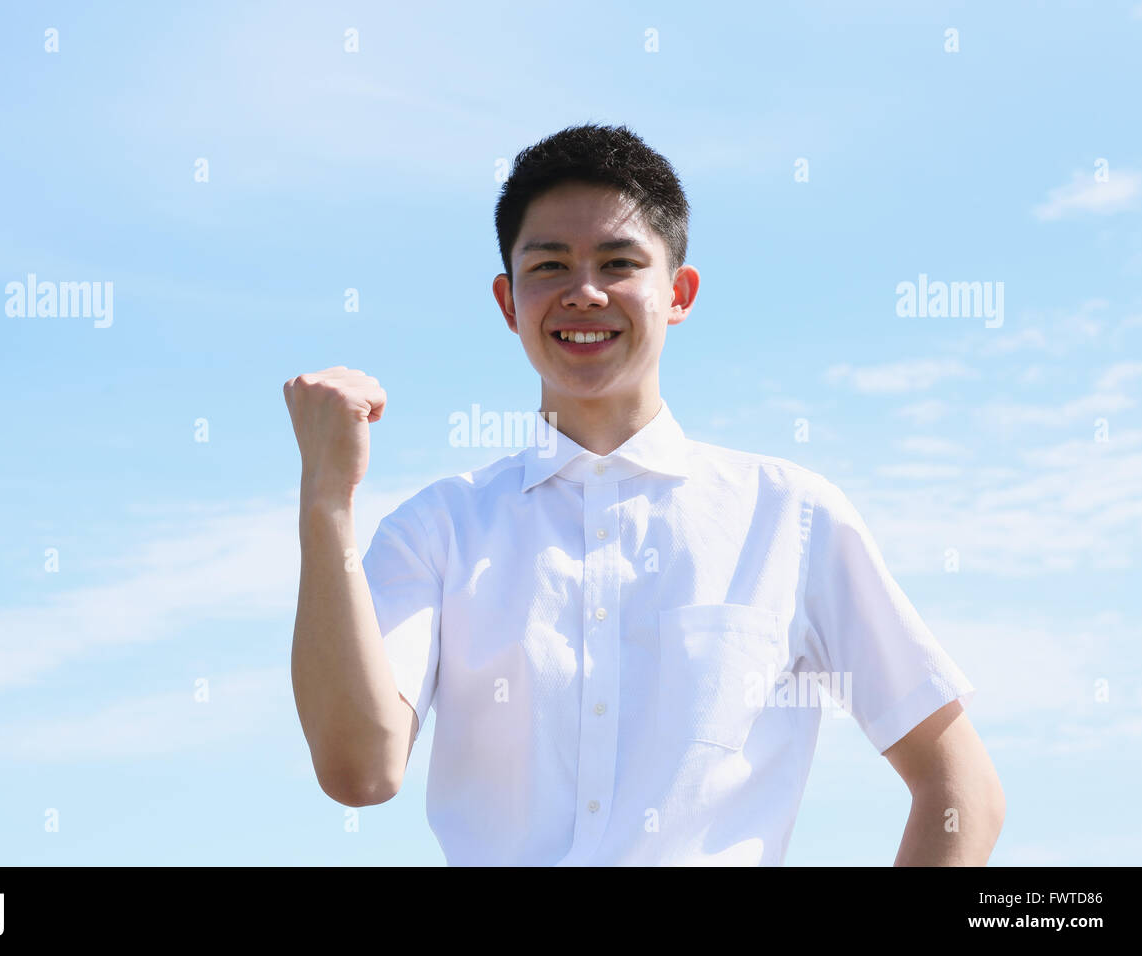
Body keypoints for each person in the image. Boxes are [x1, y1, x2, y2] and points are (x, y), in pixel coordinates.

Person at [283, 123, 1005, 866]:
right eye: (550, 265)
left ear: (679, 293)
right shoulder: (437, 529)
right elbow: (360, 771)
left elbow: (962, 791)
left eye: (620, 263)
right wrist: (327, 505)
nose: (584, 292)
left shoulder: (792, 515)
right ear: (508, 301)